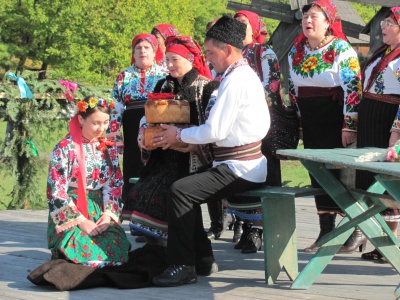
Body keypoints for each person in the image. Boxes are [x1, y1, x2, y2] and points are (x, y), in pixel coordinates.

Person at [151, 15, 270, 287]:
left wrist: (178, 134)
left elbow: (214, 131)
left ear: (228, 49)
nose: (208, 58)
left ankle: (183, 264)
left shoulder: (237, 79)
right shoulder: (236, 75)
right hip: (236, 163)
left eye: (211, 53)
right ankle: (201, 259)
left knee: (181, 191)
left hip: (241, 167)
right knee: (181, 187)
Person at [123, 35, 217, 248]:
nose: (170, 65)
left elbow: (213, 129)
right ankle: (167, 249)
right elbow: (147, 118)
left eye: (175, 59)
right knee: (142, 190)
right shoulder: (162, 84)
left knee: (173, 189)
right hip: (163, 156)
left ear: (190, 59)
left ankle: (182, 251)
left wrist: (184, 138)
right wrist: (144, 138)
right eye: (167, 60)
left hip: (195, 158)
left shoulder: (207, 87)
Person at [288, 0, 362, 252]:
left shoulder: (342, 49)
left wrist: (349, 125)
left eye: (314, 16)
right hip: (310, 121)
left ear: (328, 22)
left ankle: (357, 227)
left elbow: (353, 88)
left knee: (343, 175)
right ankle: (326, 232)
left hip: (335, 120)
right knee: (317, 174)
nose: (308, 21)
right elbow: (293, 89)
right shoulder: (296, 50)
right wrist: (298, 123)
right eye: (305, 16)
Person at [47, 95, 131, 268]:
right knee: (81, 245)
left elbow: (114, 185)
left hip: (98, 209)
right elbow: (56, 191)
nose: (101, 128)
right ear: (81, 119)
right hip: (72, 207)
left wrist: (107, 216)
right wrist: (82, 221)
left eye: (105, 122)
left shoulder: (108, 148)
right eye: (95, 123)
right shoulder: (65, 147)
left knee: (116, 247)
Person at [228, 10, 283, 253]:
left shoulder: (264, 52)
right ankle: (246, 226)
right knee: (242, 173)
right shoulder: (232, 54)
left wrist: (243, 105)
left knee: (263, 173)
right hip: (237, 125)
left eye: (243, 24)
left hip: (261, 124)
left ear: (254, 28)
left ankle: (259, 230)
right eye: (235, 24)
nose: (239, 28)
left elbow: (271, 87)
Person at [355, 6, 400, 260]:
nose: (383, 27)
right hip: (371, 123)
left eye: (389, 23)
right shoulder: (383, 53)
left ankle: (391, 242)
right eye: (383, 23)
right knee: (370, 180)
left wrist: (396, 133)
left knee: (387, 182)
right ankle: (380, 242)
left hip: (387, 124)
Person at [108, 34, 167, 201]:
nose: (142, 51)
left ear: (155, 52)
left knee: (155, 164)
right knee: (133, 164)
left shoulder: (164, 74)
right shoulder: (123, 76)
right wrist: (115, 136)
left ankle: (154, 207)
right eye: (138, 48)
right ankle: (132, 208)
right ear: (133, 53)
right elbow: (115, 106)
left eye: (147, 48)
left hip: (156, 123)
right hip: (132, 124)